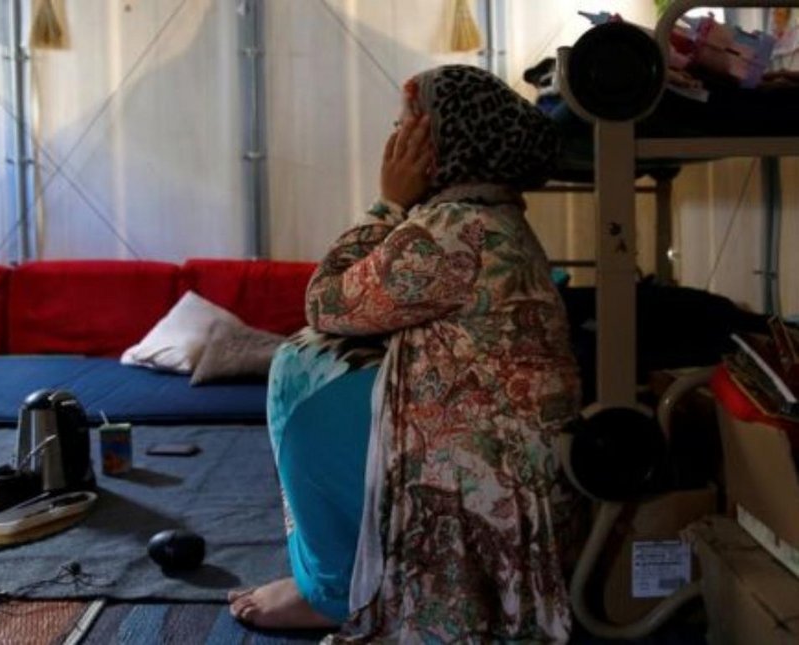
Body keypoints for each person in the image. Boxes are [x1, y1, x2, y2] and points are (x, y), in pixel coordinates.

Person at [228, 64, 582, 643]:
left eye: (405, 128)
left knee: (302, 374)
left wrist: (387, 202)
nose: (393, 143)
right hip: (515, 465)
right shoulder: (490, 215)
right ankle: (333, 578)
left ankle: (334, 591)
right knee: (319, 366)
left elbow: (325, 302)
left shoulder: (452, 227)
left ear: (437, 142)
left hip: (483, 472)